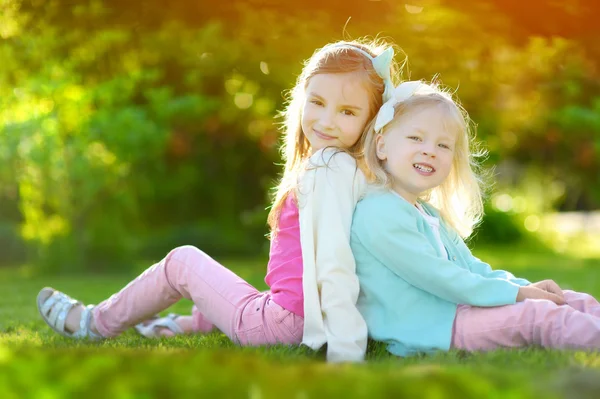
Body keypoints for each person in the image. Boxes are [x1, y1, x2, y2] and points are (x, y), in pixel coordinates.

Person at [36, 39, 402, 362]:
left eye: (348, 112)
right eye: (317, 102)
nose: (326, 121)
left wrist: (345, 351)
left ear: (372, 122)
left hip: (284, 324)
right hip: (300, 314)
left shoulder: (327, 166)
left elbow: (336, 263)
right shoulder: (358, 172)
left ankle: (92, 323)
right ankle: (182, 325)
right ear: (302, 99)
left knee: (182, 262)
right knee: (237, 290)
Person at [350, 80, 600, 357]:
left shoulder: (426, 212)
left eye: (443, 145)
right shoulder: (378, 212)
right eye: (416, 138)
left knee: (570, 300)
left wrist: (522, 287)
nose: (430, 150)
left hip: (456, 311)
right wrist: (519, 297)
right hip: (432, 327)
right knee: (540, 316)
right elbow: (438, 277)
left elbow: (472, 268)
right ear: (382, 147)